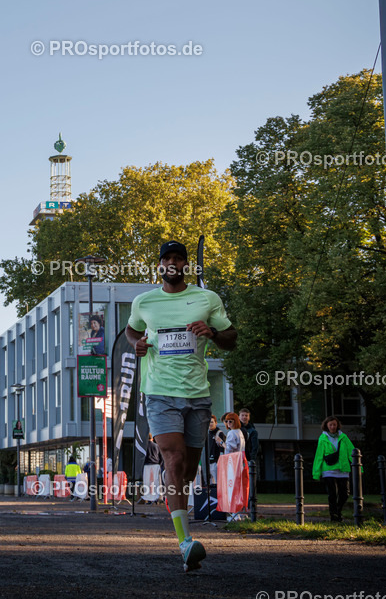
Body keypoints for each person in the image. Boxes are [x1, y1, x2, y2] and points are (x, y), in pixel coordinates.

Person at [126, 239, 237, 572]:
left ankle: (173, 491)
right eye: (167, 259)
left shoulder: (207, 299)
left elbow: (231, 339)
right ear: (160, 265)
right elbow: (132, 330)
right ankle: (185, 542)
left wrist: (212, 332)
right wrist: (138, 343)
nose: (172, 263)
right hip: (159, 392)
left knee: (187, 470)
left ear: (186, 264)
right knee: (173, 459)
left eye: (178, 258)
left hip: (197, 395)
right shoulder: (144, 301)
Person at [312, 415, 355, 522]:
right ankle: (334, 516)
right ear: (326, 425)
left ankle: (337, 511)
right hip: (328, 470)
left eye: (334, 424)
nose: (332, 426)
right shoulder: (323, 438)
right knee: (332, 494)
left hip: (343, 470)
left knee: (344, 494)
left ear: (337, 425)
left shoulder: (343, 437)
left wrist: (360, 468)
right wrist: (316, 473)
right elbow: (319, 456)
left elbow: (352, 452)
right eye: (330, 424)